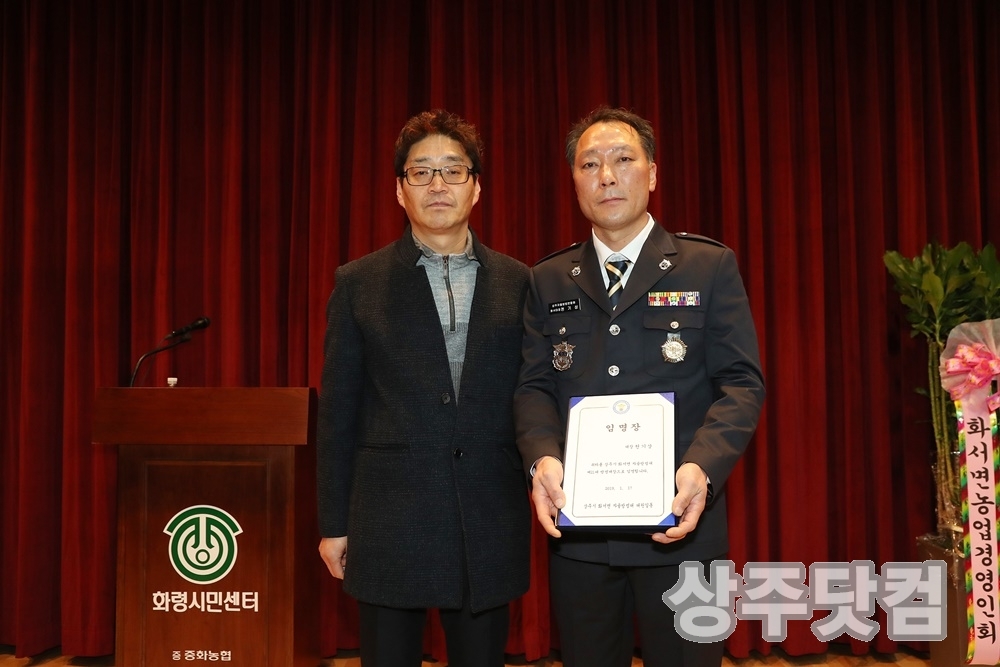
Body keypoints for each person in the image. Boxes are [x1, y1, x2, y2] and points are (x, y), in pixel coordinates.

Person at [514, 106, 765, 667]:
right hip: (581, 539)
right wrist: (541, 460)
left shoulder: (707, 266)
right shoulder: (548, 278)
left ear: (652, 173)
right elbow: (533, 387)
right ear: (574, 180)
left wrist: (703, 468)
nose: (606, 176)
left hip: (683, 528)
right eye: (590, 164)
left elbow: (741, 383)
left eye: (623, 159)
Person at [317, 109, 531, 667]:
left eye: (453, 170)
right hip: (389, 519)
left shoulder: (520, 282)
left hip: (488, 516)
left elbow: (535, 398)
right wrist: (333, 523)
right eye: (421, 172)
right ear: (400, 190)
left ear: (476, 188)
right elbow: (337, 413)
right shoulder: (358, 283)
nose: (438, 185)